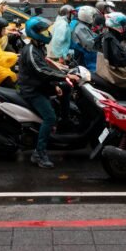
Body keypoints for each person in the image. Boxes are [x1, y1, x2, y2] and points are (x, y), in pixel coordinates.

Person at [17, 16, 79, 169]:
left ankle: (65, 121)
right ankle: (39, 153)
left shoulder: (39, 47)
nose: (46, 33)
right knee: (50, 117)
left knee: (65, 87)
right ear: (34, 33)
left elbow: (45, 68)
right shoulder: (31, 50)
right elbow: (41, 70)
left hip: (39, 85)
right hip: (32, 90)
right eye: (42, 30)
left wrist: (57, 83)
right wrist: (65, 76)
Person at [70, 6, 101, 72]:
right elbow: (90, 44)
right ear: (87, 17)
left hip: (86, 56)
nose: (94, 18)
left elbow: (93, 36)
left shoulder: (83, 26)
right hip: (86, 60)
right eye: (93, 16)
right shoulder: (81, 28)